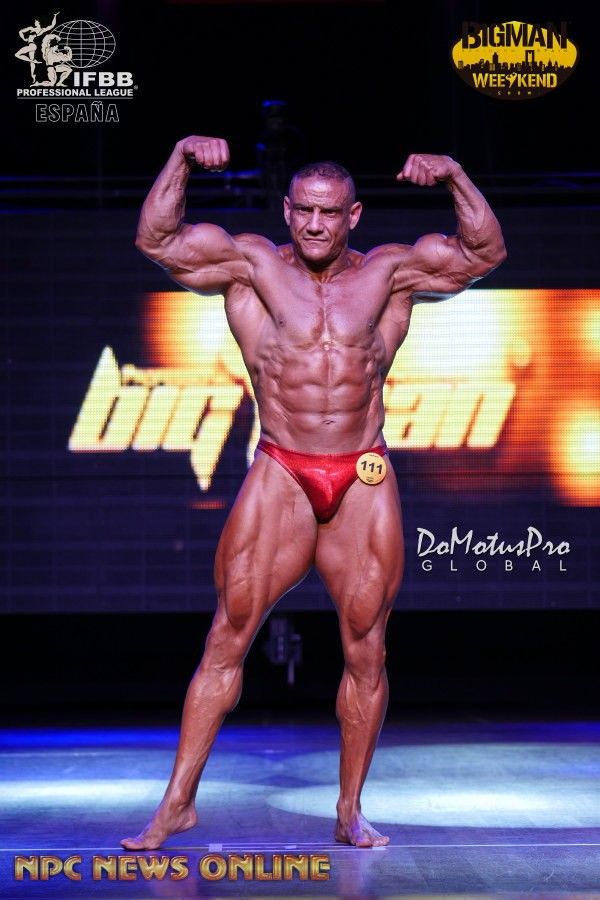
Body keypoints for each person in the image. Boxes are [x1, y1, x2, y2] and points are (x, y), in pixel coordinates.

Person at [121, 135, 506, 850]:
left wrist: (455, 174)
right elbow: (158, 240)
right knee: (227, 637)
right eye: (303, 211)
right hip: (282, 468)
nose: (315, 225)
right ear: (287, 209)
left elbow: (483, 254)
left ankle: (349, 809)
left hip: (362, 472)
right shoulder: (250, 265)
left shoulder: (390, 273)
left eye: (330, 213)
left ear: (353, 215)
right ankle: (176, 804)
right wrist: (178, 157)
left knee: (366, 648)